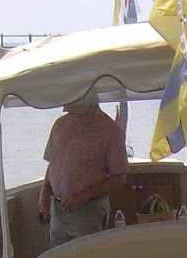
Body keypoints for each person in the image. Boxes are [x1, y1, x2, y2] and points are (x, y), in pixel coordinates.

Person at [39, 97, 128, 247]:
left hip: (88, 212)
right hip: (58, 210)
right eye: (69, 111)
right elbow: (53, 164)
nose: (70, 114)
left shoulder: (111, 131)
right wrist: (45, 192)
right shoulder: (60, 125)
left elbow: (119, 177)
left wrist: (84, 194)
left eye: (75, 112)